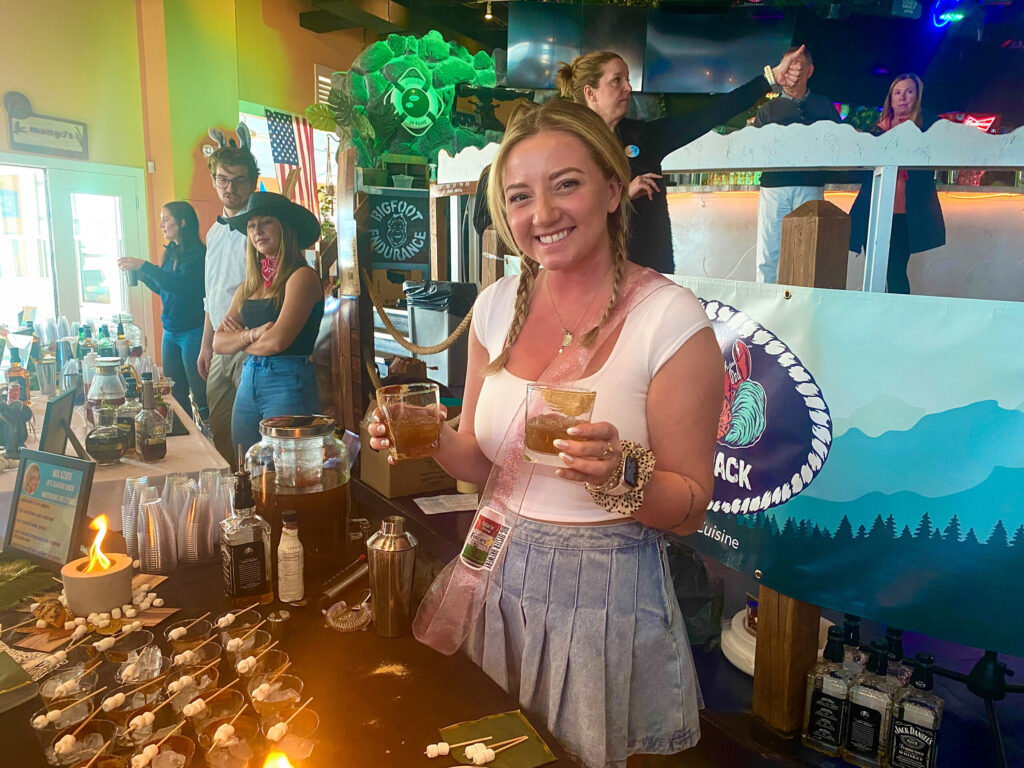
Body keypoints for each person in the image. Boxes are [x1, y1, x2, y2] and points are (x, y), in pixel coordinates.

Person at [368, 100, 723, 767]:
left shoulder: (671, 321)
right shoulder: (497, 304)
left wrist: (620, 472)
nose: (543, 214)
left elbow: (690, 509)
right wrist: (423, 438)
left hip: (604, 597)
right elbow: (475, 456)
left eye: (567, 184)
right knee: (490, 750)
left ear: (613, 189)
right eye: (520, 196)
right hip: (497, 574)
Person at [554, 46, 808, 274]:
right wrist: (623, 196)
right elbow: (565, 214)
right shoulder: (569, 147)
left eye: (627, 80)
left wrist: (770, 78)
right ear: (591, 93)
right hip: (597, 275)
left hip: (653, 273)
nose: (628, 88)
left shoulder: (644, 136)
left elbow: (711, 114)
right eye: (616, 81)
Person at [212, 192, 323, 455]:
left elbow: (277, 341)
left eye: (266, 223)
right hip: (250, 376)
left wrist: (238, 341)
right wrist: (251, 335)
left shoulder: (302, 277)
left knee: (287, 471)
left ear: (285, 227)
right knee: (245, 463)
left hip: (288, 378)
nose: (257, 231)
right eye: (251, 226)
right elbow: (217, 342)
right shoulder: (249, 286)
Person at [848, 74, 946, 294]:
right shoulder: (876, 129)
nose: (902, 97)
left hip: (903, 216)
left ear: (918, 96)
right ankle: (877, 317)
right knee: (875, 271)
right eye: (897, 92)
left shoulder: (929, 126)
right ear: (890, 98)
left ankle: (897, 320)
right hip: (872, 212)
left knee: (895, 271)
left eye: (909, 92)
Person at [752, 47, 840, 283]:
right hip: (774, 187)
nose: (792, 71)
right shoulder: (767, 109)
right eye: (788, 66)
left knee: (809, 253)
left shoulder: (824, 106)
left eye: (797, 65)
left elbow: (840, 146)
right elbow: (753, 151)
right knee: (768, 253)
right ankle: (764, 311)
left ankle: (806, 308)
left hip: (810, 186)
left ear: (809, 71)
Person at [119, 201, 208, 420]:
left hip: (194, 332)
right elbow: (165, 288)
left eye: (166, 219)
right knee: (175, 392)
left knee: (200, 392)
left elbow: (182, 285)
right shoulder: (171, 253)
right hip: (170, 332)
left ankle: (209, 437)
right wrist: (144, 277)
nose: (161, 224)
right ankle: (186, 433)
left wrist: (146, 266)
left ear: (183, 222)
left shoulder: (198, 255)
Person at [201, 130, 257, 467]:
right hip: (219, 347)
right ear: (214, 180)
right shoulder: (213, 232)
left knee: (250, 436)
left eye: (238, 180)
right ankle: (231, 501)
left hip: (250, 344)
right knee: (219, 430)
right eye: (222, 179)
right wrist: (206, 344)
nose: (230, 188)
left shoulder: (260, 229)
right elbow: (211, 295)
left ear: (252, 182)